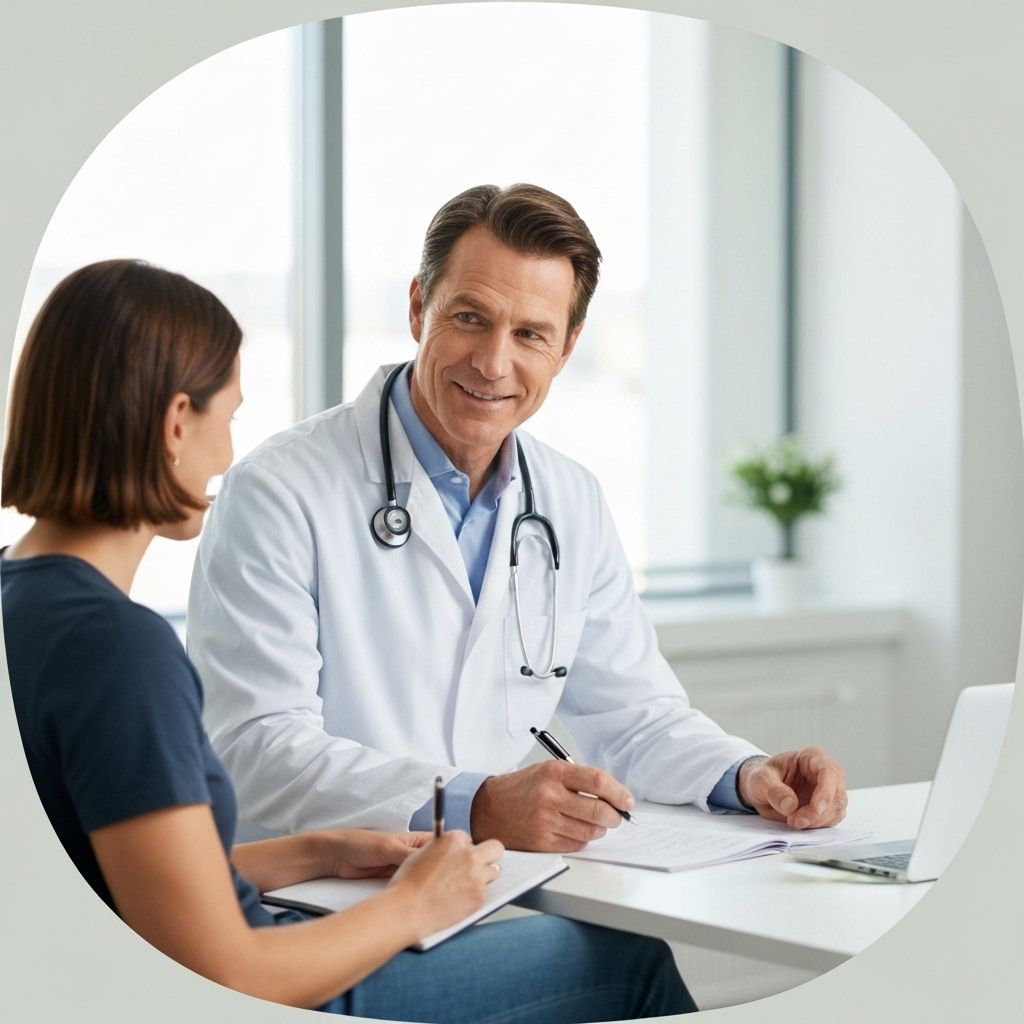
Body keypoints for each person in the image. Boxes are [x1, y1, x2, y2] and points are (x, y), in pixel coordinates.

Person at [2, 259, 697, 1020]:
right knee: (625, 967)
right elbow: (226, 973)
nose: (228, 455)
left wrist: (321, 851)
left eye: (530, 332)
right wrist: (411, 907)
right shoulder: (120, 649)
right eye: (227, 417)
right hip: (256, 981)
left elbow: (100, 874)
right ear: (176, 424)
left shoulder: (27, 600)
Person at [188, 183, 849, 852]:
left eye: (531, 334)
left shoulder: (570, 499)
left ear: (567, 347)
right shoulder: (279, 490)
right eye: (470, 318)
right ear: (419, 307)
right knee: (620, 962)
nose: (493, 363)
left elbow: (632, 714)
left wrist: (746, 773)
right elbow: (253, 743)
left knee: (625, 951)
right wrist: (470, 806)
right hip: (318, 899)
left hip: (487, 881)